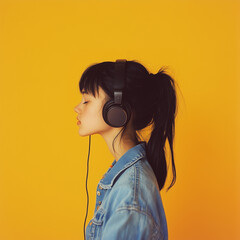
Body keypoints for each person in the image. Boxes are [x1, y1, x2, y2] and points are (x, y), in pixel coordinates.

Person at [74, 60, 178, 240]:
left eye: (86, 100)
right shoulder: (126, 180)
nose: (77, 107)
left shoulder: (130, 197)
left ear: (116, 109)